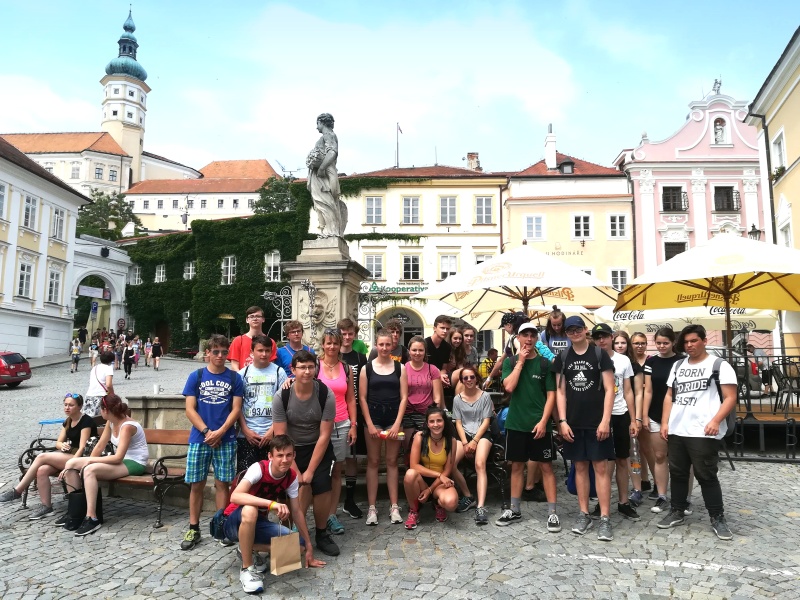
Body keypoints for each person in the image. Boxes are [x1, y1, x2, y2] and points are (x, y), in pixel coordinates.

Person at [659, 324, 736, 540]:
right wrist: (665, 422)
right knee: (678, 473)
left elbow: (730, 397)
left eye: (694, 340)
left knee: (706, 475)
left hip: (704, 431)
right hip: (678, 428)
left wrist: (716, 420)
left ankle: (717, 517)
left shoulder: (719, 365)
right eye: (686, 342)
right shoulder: (678, 365)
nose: (689, 345)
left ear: (704, 340)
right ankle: (677, 510)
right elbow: (669, 395)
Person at [223, 435, 325, 594]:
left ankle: (246, 548)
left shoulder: (291, 477)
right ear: (270, 456)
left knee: (298, 547)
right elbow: (235, 496)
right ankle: (247, 569)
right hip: (232, 521)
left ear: (294, 455)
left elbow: (297, 511)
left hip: (258, 523)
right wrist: (272, 504)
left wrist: (309, 546)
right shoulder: (259, 468)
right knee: (250, 509)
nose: (285, 460)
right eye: (280, 455)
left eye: (289, 455)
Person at [552, 316, 615, 541]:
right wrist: (562, 421)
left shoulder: (599, 354)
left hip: (597, 421)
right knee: (579, 467)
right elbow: (560, 392)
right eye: (570, 330)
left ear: (585, 329)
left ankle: (605, 517)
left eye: (578, 329)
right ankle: (584, 513)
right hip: (573, 422)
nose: (575, 333)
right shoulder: (562, 357)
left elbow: (610, 389)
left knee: (601, 468)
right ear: (566, 333)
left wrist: (606, 420)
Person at [272, 350, 340, 557]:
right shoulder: (282, 396)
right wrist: (296, 470)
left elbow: (325, 435)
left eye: (311, 367)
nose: (307, 371)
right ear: (293, 370)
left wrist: (309, 471)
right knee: (287, 489)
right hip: (290, 448)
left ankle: (321, 532)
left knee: (322, 485)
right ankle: (291, 533)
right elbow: (281, 435)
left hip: (317, 446)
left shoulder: (325, 394)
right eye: (302, 367)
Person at [180, 334, 244, 551]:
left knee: (222, 484)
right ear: (208, 352)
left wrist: (221, 432)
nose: (220, 356)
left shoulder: (234, 378)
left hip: (226, 439)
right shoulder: (196, 376)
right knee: (196, 484)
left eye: (224, 352)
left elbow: (236, 409)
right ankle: (194, 527)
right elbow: (190, 409)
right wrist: (208, 432)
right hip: (200, 438)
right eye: (216, 351)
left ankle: (221, 526)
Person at [496, 323, 560, 531]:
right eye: (525, 335)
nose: (529, 339)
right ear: (519, 338)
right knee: (516, 466)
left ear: (536, 339)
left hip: (540, 425)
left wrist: (544, 421)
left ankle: (552, 512)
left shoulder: (544, 364)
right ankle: (514, 509)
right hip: (516, 423)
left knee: (546, 467)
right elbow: (509, 387)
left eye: (533, 335)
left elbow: (551, 396)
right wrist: (521, 362)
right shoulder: (510, 362)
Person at [60, 394, 149, 536]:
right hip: (121, 460)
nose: (100, 412)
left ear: (105, 410)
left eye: (101, 409)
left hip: (135, 462)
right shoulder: (111, 421)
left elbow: (118, 458)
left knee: (89, 470)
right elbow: (100, 445)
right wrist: (86, 460)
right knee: (71, 463)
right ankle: (75, 512)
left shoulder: (127, 426)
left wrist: (90, 461)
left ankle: (92, 518)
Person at [0, 393, 98, 518]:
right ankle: (46, 507)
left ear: (79, 406)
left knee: (42, 457)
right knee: (42, 470)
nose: (67, 408)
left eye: (71, 405)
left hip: (81, 457)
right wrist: (62, 445)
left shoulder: (86, 421)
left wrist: (71, 463)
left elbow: (83, 447)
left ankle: (18, 491)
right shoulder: (68, 421)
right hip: (67, 455)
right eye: (65, 405)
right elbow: (58, 442)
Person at [590, 324, 640, 522]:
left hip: (620, 413)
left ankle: (623, 502)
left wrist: (634, 419)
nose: (601, 340)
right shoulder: (590, 358)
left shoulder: (623, 360)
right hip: (598, 416)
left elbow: (628, 391)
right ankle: (602, 504)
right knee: (602, 463)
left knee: (621, 459)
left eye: (604, 336)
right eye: (597, 337)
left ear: (611, 337)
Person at [360, 329, 408, 527]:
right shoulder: (367, 368)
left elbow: (404, 397)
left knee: (391, 461)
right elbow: (362, 398)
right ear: (376, 345)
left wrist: (397, 423)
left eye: (388, 344)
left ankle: (394, 506)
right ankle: (372, 508)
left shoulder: (400, 368)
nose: (385, 348)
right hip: (373, 417)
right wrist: (370, 424)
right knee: (373, 461)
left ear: (392, 345)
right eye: (381, 344)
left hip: (393, 418)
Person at [316, 329, 358, 536]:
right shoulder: (315, 365)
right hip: (319, 424)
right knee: (318, 470)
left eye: (335, 343)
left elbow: (350, 398)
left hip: (341, 423)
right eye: (328, 343)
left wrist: (353, 425)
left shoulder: (346, 368)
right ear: (323, 345)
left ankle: (331, 514)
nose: (332, 346)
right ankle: (318, 512)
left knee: (336, 471)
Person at [642, 327, 688, 514]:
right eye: (658, 343)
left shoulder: (683, 361)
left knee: (683, 460)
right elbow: (647, 390)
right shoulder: (651, 362)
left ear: (673, 342)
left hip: (679, 414)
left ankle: (685, 498)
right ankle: (662, 495)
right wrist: (644, 414)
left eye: (665, 343)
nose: (662, 346)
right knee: (660, 456)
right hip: (655, 414)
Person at [237, 334, 287, 474]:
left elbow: (284, 405)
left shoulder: (279, 372)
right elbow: (237, 406)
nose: (264, 354)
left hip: (272, 435)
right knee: (246, 477)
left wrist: (272, 431)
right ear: (252, 352)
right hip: (247, 436)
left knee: (271, 477)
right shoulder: (242, 374)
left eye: (267, 350)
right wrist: (245, 430)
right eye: (260, 350)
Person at [403, 406, 459, 529]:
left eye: (439, 420)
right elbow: (414, 465)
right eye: (432, 421)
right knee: (410, 474)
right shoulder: (420, 436)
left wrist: (430, 490)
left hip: (440, 483)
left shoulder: (451, 441)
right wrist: (439, 475)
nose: (436, 424)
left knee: (451, 503)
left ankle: (437, 504)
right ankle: (414, 511)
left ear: (444, 422)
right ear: (427, 424)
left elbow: (447, 470)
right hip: (421, 480)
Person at [452, 365, 494, 525]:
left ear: (476, 378)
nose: (469, 380)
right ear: (461, 381)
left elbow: (486, 421)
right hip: (464, 434)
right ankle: (468, 496)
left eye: (472, 377)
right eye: (465, 378)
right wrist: (465, 442)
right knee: (451, 463)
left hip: (481, 434)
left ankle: (481, 507)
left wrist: (474, 441)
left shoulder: (485, 396)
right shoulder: (457, 399)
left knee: (479, 464)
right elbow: (458, 422)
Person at [338, 317, 367, 519]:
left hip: (356, 410)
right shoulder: (333, 356)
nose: (347, 337)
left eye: (350, 334)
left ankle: (349, 499)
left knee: (352, 457)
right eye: (343, 334)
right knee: (336, 457)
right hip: (337, 411)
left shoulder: (360, 357)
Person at [306, 112, 347, 237]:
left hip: (325, 175)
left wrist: (321, 168)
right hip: (322, 175)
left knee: (326, 203)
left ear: (322, 122)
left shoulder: (329, 135)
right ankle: (326, 230)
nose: (316, 127)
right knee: (321, 203)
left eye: (317, 123)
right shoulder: (326, 136)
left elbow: (332, 152)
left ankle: (331, 231)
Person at [404, 336, 444, 444]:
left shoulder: (433, 369)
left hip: (425, 413)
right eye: (414, 350)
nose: (417, 353)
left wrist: (434, 415)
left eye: (421, 350)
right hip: (407, 412)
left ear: (425, 352)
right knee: (408, 446)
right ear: (409, 351)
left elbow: (437, 396)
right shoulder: (403, 369)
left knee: (425, 445)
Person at [228, 306, 278, 371]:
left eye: (258, 316)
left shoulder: (270, 341)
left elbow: (271, 365)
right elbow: (234, 365)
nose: (255, 319)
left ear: (263, 319)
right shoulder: (238, 340)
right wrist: (241, 376)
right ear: (247, 320)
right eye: (251, 316)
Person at [84, 351, 115, 418]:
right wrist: (112, 394)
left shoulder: (95, 368)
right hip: (101, 396)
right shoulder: (109, 368)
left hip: (90, 395)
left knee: (88, 418)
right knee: (100, 419)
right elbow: (108, 384)